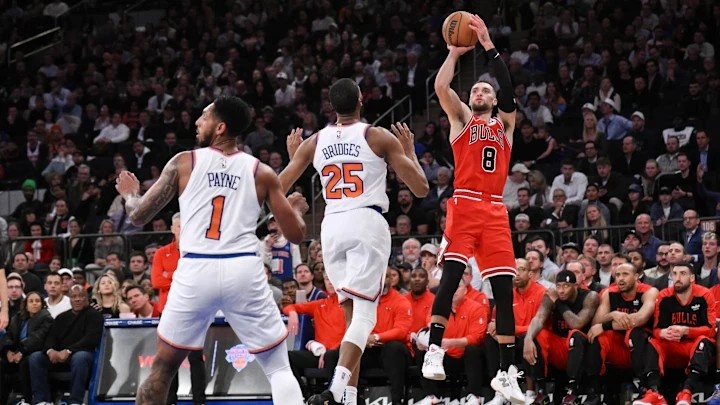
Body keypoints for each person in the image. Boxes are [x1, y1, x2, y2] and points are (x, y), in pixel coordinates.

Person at [115, 96, 309, 405]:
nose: (197, 122)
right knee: (278, 368)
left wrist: (130, 194)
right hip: (242, 269)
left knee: (162, 368)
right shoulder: (260, 172)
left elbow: (138, 216)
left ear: (220, 127)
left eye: (204, 117)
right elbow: (296, 235)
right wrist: (296, 209)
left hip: (196, 268)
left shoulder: (184, 162)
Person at [278, 77, 429, 405]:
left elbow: (278, 186)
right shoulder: (376, 135)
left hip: (332, 226)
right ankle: (335, 390)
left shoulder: (314, 141)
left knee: (350, 319)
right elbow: (420, 188)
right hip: (365, 222)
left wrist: (296, 159)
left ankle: (349, 397)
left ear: (331, 106)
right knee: (365, 317)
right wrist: (408, 152)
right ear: (361, 100)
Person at [420, 15, 523, 404]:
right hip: (463, 203)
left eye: (485, 90)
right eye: (475, 89)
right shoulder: (462, 118)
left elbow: (508, 88)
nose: (479, 91)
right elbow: (441, 87)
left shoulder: (506, 126)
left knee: (503, 292)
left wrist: (488, 45)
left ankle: (506, 374)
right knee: (451, 277)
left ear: (494, 101)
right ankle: (434, 350)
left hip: (495, 210)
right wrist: (453, 53)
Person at [636, 263, 716, 405]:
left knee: (703, 340)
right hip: (671, 345)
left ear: (692, 278)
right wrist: (662, 333)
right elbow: (656, 330)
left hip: (693, 344)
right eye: (674, 274)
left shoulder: (704, 295)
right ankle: (654, 392)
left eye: (682, 274)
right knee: (653, 342)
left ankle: (686, 392)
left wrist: (687, 331)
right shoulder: (664, 295)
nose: (677, 278)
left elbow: (711, 329)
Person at [584, 263, 659, 405]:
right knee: (596, 336)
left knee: (634, 332)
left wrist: (606, 325)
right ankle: (594, 391)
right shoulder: (609, 293)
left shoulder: (649, 291)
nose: (620, 279)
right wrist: (613, 314)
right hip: (619, 347)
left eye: (625, 274)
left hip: (644, 346)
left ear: (636, 277)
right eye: (617, 275)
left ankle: (644, 387)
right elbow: (595, 324)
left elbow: (640, 319)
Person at [150, 212, 205, 405]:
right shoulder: (161, 253)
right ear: (173, 229)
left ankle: (199, 401)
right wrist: (182, 277)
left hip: (194, 309)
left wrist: (170, 275)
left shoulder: (200, 250)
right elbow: (156, 281)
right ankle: (170, 401)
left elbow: (200, 279)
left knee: (196, 359)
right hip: (169, 311)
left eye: (186, 225)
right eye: (179, 226)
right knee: (168, 360)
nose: (183, 229)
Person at [522, 270, 599, 404]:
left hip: (583, 348)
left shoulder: (590, 296)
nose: (561, 290)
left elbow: (577, 324)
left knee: (575, 334)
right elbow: (539, 318)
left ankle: (572, 390)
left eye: (566, 286)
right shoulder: (551, 296)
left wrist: (558, 302)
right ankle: (541, 391)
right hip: (559, 348)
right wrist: (528, 338)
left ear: (575, 286)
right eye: (558, 286)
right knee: (538, 334)